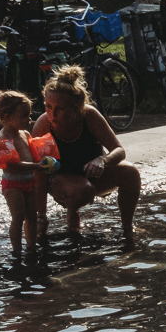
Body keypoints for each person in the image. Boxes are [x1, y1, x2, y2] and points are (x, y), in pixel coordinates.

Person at [30, 66, 141, 250]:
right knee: (83, 189)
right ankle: (73, 217)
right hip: (61, 180)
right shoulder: (43, 125)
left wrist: (103, 160)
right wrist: (41, 216)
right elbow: (39, 173)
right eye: (48, 107)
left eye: (60, 109)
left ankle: (128, 228)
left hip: (93, 172)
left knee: (131, 172)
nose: (52, 114)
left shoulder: (89, 116)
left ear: (76, 108)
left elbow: (119, 150)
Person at [0, 90, 45, 260]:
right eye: (24, 116)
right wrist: (37, 166)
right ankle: (17, 251)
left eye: (29, 115)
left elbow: (34, 154)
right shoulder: (3, 138)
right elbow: (12, 166)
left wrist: (46, 159)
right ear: (7, 116)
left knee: (32, 216)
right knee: (18, 217)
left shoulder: (25, 134)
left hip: (29, 181)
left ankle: (31, 247)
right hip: (12, 184)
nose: (29, 119)